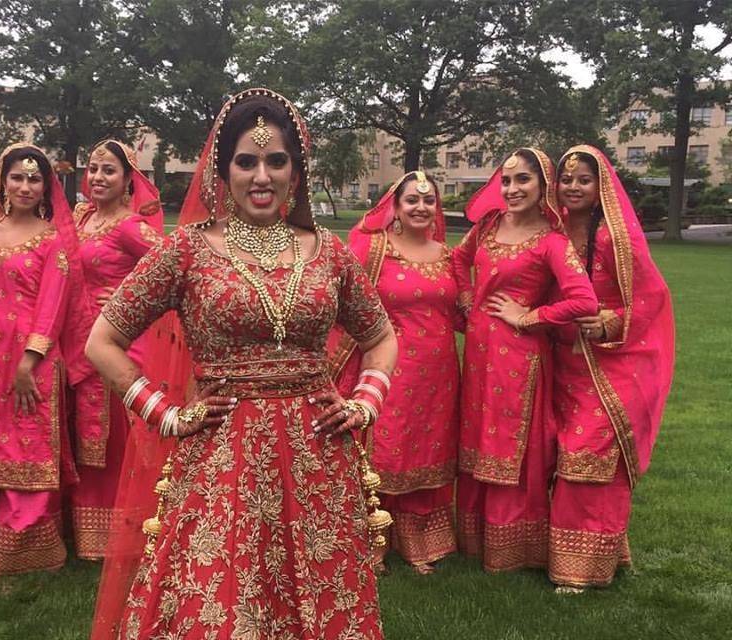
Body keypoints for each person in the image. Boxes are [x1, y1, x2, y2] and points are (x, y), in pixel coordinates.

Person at [86, 88, 398, 639]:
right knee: (220, 595)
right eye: (247, 161)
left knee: (320, 595)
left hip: (319, 456)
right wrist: (164, 415)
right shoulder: (186, 250)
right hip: (221, 454)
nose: (262, 176)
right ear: (222, 170)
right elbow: (103, 341)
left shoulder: (327, 251)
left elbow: (381, 337)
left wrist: (365, 401)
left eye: (277, 161)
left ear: (295, 173)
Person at [451, 148, 597, 573]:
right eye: (507, 182)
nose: (512, 190)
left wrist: (530, 316)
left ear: (543, 188)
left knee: (511, 444)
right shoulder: (486, 226)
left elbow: (583, 299)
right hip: (479, 352)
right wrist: (466, 300)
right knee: (477, 436)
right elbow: (459, 261)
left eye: (523, 181)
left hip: (520, 358)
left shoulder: (552, 241)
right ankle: (475, 541)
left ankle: (515, 546)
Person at [0, 143, 90, 576]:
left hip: (32, 359)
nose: (26, 185)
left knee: (26, 448)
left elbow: (53, 306)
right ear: (2, 181)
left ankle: (21, 557)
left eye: (35, 179)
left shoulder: (53, 241)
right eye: (18, 177)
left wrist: (30, 360)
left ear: (47, 187)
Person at [548, 145, 674, 591]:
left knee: (592, 455)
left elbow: (650, 297)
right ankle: (604, 552)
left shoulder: (613, 237)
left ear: (600, 186)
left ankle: (583, 569)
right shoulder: (554, 230)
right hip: (561, 361)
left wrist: (610, 321)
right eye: (567, 179)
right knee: (563, 455)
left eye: (584, 179)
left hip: (611, 361)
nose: (575, 187)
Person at [329, 171, 460, 574]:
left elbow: (462, 311)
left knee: (428, 449)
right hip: (389, 367)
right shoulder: (372, 248)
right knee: (384, 450)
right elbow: (340, 299)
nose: (421, 207)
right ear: (395, 207)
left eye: (429, 201)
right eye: (412, 201)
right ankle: (372, 538)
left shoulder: (447, 254)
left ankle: (420, 542)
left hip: (438, 372)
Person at [67, 139, 163, 560]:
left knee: (116, 439)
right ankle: (82, 529)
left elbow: (169, 269)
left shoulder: (129, 226)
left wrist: (126, 299)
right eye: (93, 169)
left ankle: (126, 529)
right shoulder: (81, 217)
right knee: (82, 433)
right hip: (77, 343)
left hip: (119, 345)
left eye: (109, 171)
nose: (98, 178)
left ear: (128, 181)